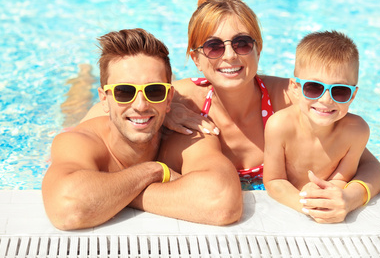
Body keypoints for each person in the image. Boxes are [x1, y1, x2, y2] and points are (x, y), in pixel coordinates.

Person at [82, 0, 380, 223]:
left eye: (242, 43)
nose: (229, 56)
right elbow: (97, 119)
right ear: (196, 59)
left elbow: (370, 164)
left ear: (258, 49)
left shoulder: (292, 98)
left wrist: (351, 197)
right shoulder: (178, 98)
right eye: (213, 47)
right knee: (74, 104)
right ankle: (78, 84)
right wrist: (163, 108)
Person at [42, 28, 242, 230]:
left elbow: (223, 203)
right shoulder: (79, 141)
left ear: (169, 98)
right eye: (124, 92)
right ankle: (83, 75)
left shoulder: (187, 136)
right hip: (82, 123)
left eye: (154, 91)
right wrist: (153, 171)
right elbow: (67, 210)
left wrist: (114, 195)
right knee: (73, 107)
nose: (140, 105)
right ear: (104, 99)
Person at [263, 31, 371, 219]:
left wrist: (327, 199)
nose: (326, 99)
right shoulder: (279, 126)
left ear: (353, 95)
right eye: (313, 87)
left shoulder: (356, 131)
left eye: (340, 91)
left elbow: (341, 179)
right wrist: (305, 203)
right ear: (295, 89)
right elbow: (274, 180)